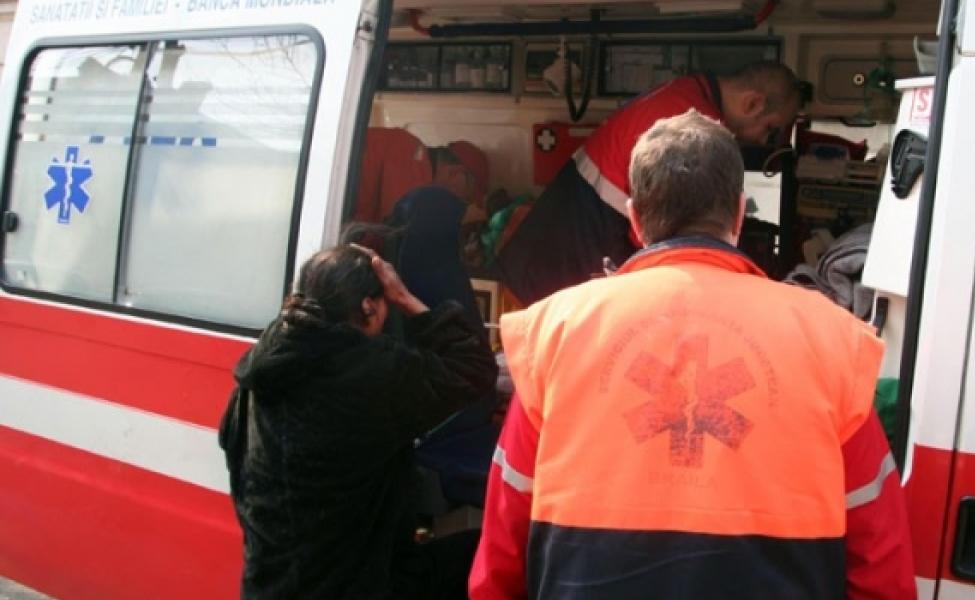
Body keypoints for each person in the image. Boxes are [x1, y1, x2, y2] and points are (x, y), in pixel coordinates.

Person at [470, 111, 915, 600]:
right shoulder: (828, 340)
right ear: (739, 214)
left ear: (634, 220)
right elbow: (881, 564)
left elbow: (502, 552)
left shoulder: (558, 334)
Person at [218, 244, 498, 600]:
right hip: (361, 586)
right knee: (497, 550)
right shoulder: (367, 370)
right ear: (369, 306)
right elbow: (475, 368)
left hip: (267, 586)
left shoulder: (256, 377)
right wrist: (406, 298)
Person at [496, 61, 803, 305]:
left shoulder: (684, 90)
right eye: (770, 129)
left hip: (536, 266)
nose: (763, 141)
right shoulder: (697, 132)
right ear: (752, 104)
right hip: (550, 283)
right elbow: (673, 246)